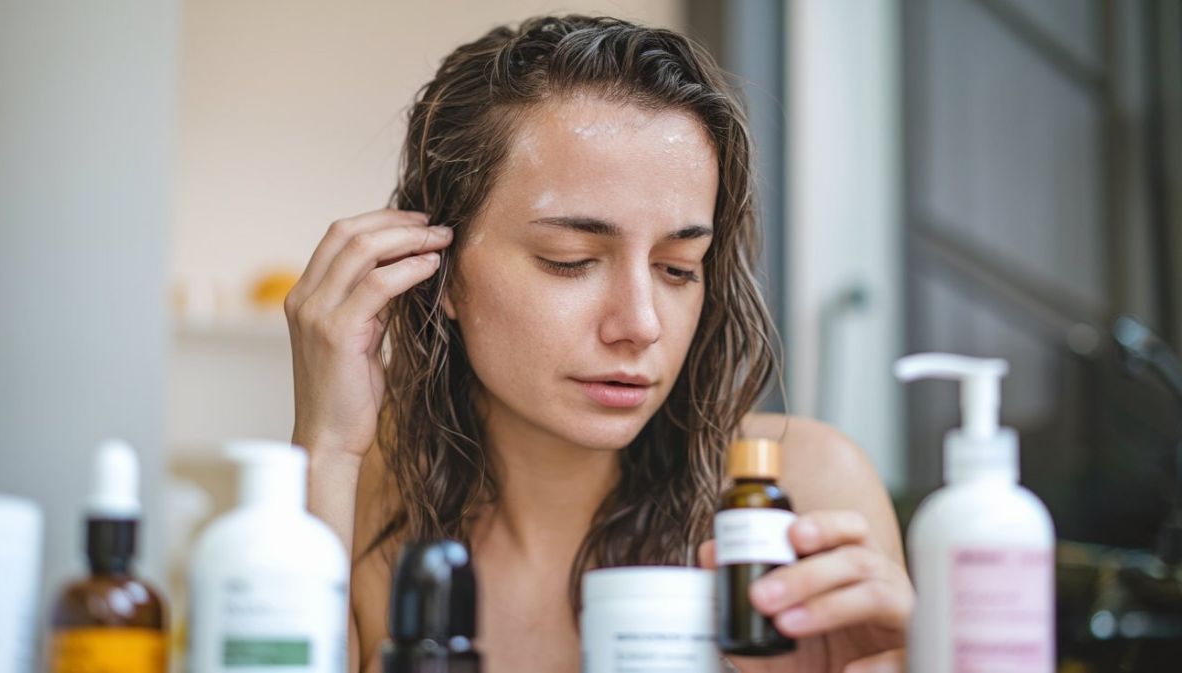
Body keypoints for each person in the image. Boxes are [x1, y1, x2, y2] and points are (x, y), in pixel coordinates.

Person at [284, 15, 912, 673]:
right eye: (571, 258)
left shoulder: (796, 493)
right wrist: (325, 446)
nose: (641, 323)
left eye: (678, 268)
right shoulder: (363, 493)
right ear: (439, 272)